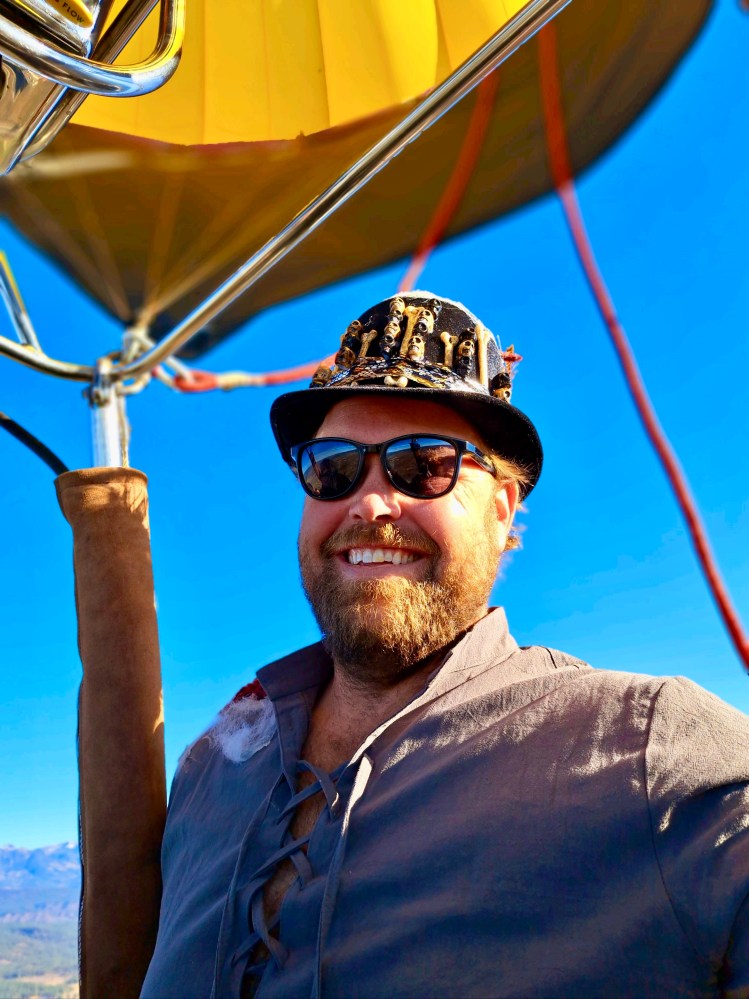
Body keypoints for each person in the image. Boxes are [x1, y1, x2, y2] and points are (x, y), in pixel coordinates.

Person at [141, 292, 749, 999]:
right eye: (333, 468)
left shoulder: (643, 748)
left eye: (423, 462)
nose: (368, 502)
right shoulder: (210, 769)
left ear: (500, 511)